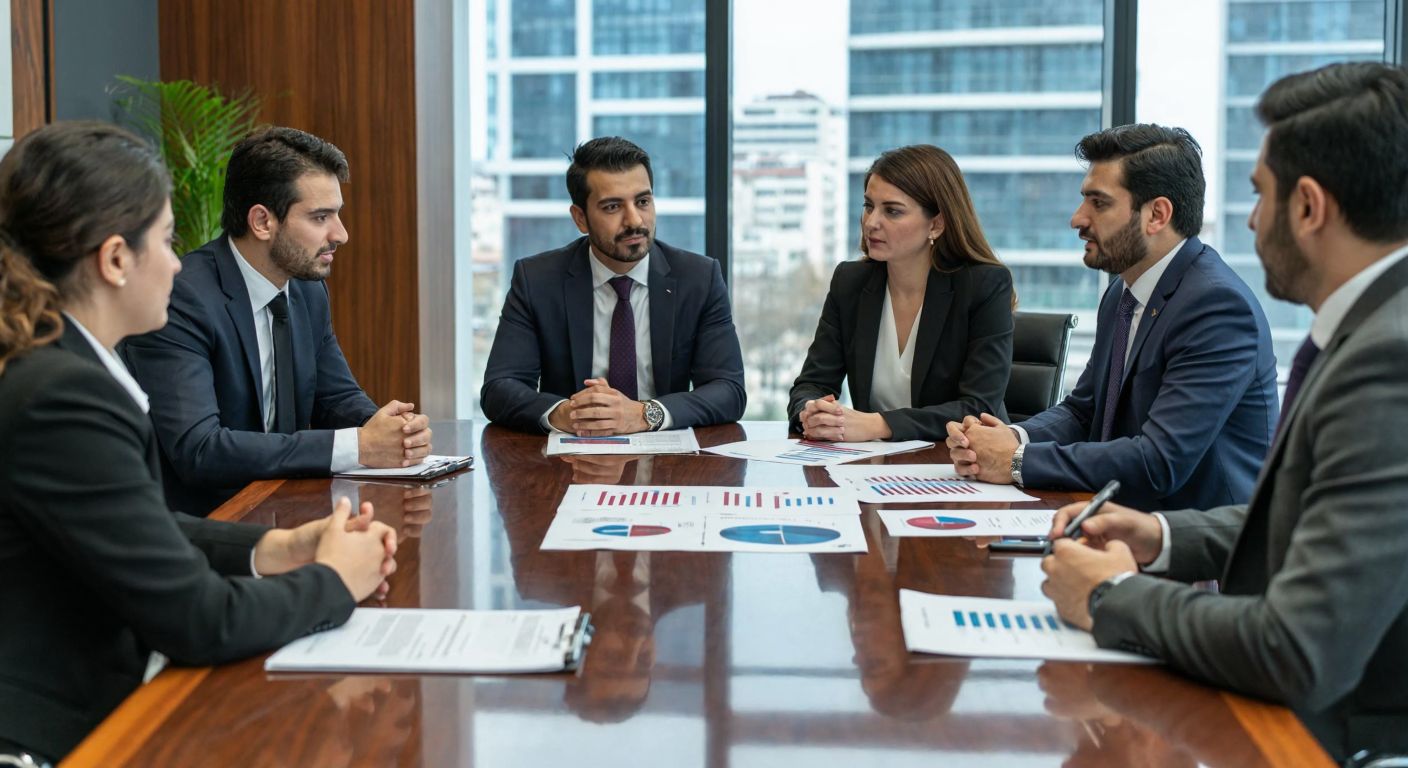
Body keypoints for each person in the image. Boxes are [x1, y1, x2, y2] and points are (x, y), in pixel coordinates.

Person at [1040, 62, 1408, 763]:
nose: (1248, 218)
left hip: (1321, 734)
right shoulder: (1370, 326)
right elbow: (1304, 515)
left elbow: (1295, 649)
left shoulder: (1387, 359)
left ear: (1308, 206)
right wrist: (1158, 534)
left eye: (1258, 193)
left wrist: (1111, 595)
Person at [0, 122, 397, 765]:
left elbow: (141, 527)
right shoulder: (62, 396)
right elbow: (199, 620)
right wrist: (332, 582)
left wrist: (278, 545)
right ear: (115, 260)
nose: (180, 262)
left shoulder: (60, 367)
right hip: (55, 738)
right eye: (165, 240)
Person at [945, 125, 1277, 511]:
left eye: (1098, 203)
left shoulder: (1216, 306)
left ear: (1157, 214)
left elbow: (1159, 461)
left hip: (1196, 553)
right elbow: (1083, 411)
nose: (1077, 219)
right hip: (1120, 519)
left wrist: (1016, 462)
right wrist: (1010, 437)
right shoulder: (1122, 293)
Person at [122, 127, 432, 515]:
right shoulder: (182, 299)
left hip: (286, 506)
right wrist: (359, 446)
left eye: (337, 214)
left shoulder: (305, 289)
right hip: (208, 526)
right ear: (262, 222)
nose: (341, 234)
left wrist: (390, 430)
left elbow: (334, 397)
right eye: (321, 217)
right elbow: (199, 449)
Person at [480, 136, 746, 435]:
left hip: (667, 464)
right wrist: (565, 413)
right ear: (580, 218)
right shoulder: (537, 279)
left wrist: (646, 414)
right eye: (612, 207)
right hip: (570, 460)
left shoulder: (699, 278)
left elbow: (729, 391)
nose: (634, 220)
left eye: (643, 202)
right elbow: (499, 389)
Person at [788, 144, 1014, 442]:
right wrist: (812, 411)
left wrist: (880, 424)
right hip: (872, 467)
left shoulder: (984, 286)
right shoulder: (850, 282)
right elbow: (812, 383)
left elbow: (977, 408)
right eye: (869, 206)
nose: (871, 223)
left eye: (892, 211)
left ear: (936, 224)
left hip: (957, 465)